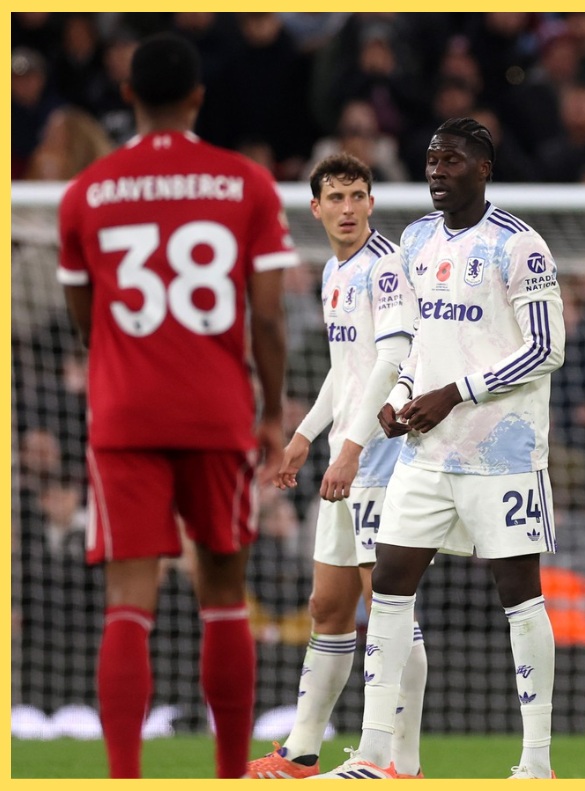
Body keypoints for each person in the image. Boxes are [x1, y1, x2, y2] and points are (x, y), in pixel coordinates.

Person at [56, 33, 295, 778]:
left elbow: (81, 312)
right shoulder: (245, 184)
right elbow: (267, 317)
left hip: (123, 414)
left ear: (128, 97)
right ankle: (227, 773)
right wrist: (271, 409)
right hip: (215, 411)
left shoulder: (85, 192)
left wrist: (124, 364)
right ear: (198, 96)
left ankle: (125, 776)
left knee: (128, 598)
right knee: (223, 592)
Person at [314, 117, 565, 780]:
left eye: (451, 160)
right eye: (430, 159)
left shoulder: (520, 246)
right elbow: (412, 343)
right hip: (425, 454)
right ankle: (374, 752)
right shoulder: (416, 242)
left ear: (483, 167)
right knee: (390, 585)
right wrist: (399, 398)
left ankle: (535, 759)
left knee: (519, 594)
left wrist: (454, 392)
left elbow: (545, 348)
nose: (436, 170)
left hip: (503, 455)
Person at [245, 154, 427, 779]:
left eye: (357, 195)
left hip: (382, 455)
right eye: (335, 197)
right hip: (342, 458)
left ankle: (401, 760)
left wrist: (348, 448)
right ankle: (299, 751)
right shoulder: (332, 271)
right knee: (328, 602)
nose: (347, 207)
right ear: (316, 208)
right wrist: (303, 435)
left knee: (388, 601)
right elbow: (344, 369)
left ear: (371, 203)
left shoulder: (384, 268)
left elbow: (391, 358)